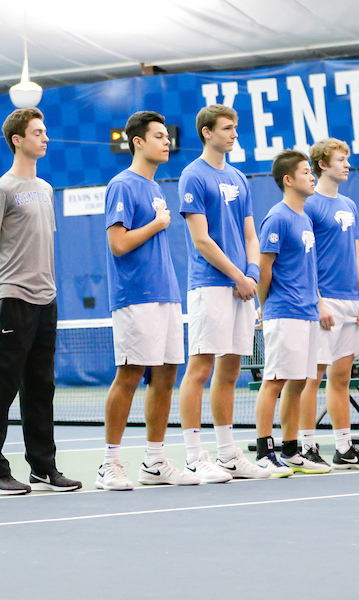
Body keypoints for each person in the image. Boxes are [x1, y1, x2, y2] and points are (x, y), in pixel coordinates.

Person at [0, 108, 82, 495]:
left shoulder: (47, 189)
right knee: (0, 388)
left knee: (41, 387)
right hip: (10, 300)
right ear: (18, 140)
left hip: (44, 302)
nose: (45, 137)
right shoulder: (0, 189)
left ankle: (42, 467)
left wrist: (48, 290)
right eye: (38, 132)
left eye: (45, 130)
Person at [96, 112, 199, 491]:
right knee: (131, 374)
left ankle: (154, 461)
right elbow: (118, 244)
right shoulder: (122, 185)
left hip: (166, 294)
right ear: (137, 142)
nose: (166, 141)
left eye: (166, 136)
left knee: (167, 374)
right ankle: (109, 463)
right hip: (135, 296)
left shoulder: (156, 188)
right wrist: (157, 225)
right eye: (158, 136)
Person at [177, 105, 270, 481]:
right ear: (206, 132)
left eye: (235, 128)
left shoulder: (238, 177)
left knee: (230, 370)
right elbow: (201, 239)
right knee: (200, 368)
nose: (234, 134)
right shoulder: (192, 176)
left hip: (241, 287)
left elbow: (250, 234)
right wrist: (236, 275)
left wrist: (251, 273)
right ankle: (193, 455)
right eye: (227, 128)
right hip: (210, 285)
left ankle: (229, 454)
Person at [303, 139, 359, 470]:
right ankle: (305, 446)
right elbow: (302, 259)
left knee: (341, 379)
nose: (347, 164)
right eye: (340, 159)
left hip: (351, 303)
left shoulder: (349, 204)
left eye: (347, 158)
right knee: (311, 376)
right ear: (322, 164)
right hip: (323, 303)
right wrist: (317, 301)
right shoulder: (309, 204)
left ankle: (344, 448)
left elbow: (358, 256)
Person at [252, 149, 327, 478]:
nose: (312, 176)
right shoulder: (277, 217)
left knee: (299, 381)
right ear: (288, 180)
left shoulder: (306, 218)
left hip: (308, 313)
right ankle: (264, 451)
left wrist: (318, 301)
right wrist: (264, 308)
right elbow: (264, 270)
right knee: (275, 381)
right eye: (306, 172)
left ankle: (291, 448)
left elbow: (308, 269)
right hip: (284, 312)